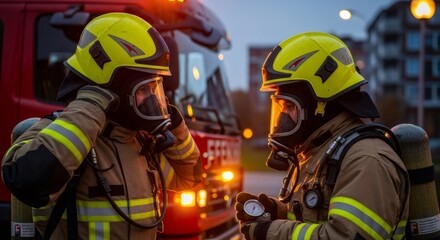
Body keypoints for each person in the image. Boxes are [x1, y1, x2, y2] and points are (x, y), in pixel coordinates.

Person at [2, 13, 201, 239]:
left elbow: (189, 177)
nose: (151, 100)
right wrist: (91, 105)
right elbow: (26, 181)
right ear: (114, 87)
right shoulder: (62, 137)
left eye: (155, 90)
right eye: (144, 90)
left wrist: (175, 126)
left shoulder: (139, 146)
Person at [235, 32, 410, 240]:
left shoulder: (366, 160)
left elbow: (344, 236)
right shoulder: (320, 152)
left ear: (321, 106)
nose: (283, 116)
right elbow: (315, 219)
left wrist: (271, 232)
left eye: (289, 106)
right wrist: (276, 211)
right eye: (281, 107)